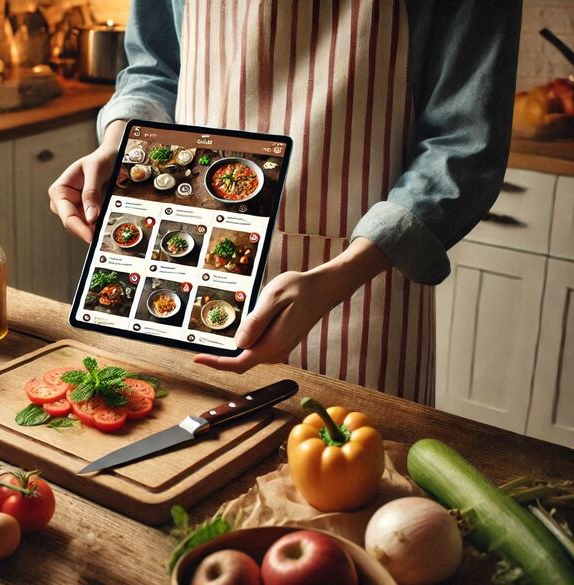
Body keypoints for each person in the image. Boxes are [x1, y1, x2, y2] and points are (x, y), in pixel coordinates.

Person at [48, 0, 520, 404]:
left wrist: (344, 273)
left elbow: (463, 143)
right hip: (189, 264)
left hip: (361, 288)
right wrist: (121, 142)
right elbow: (155, 68)